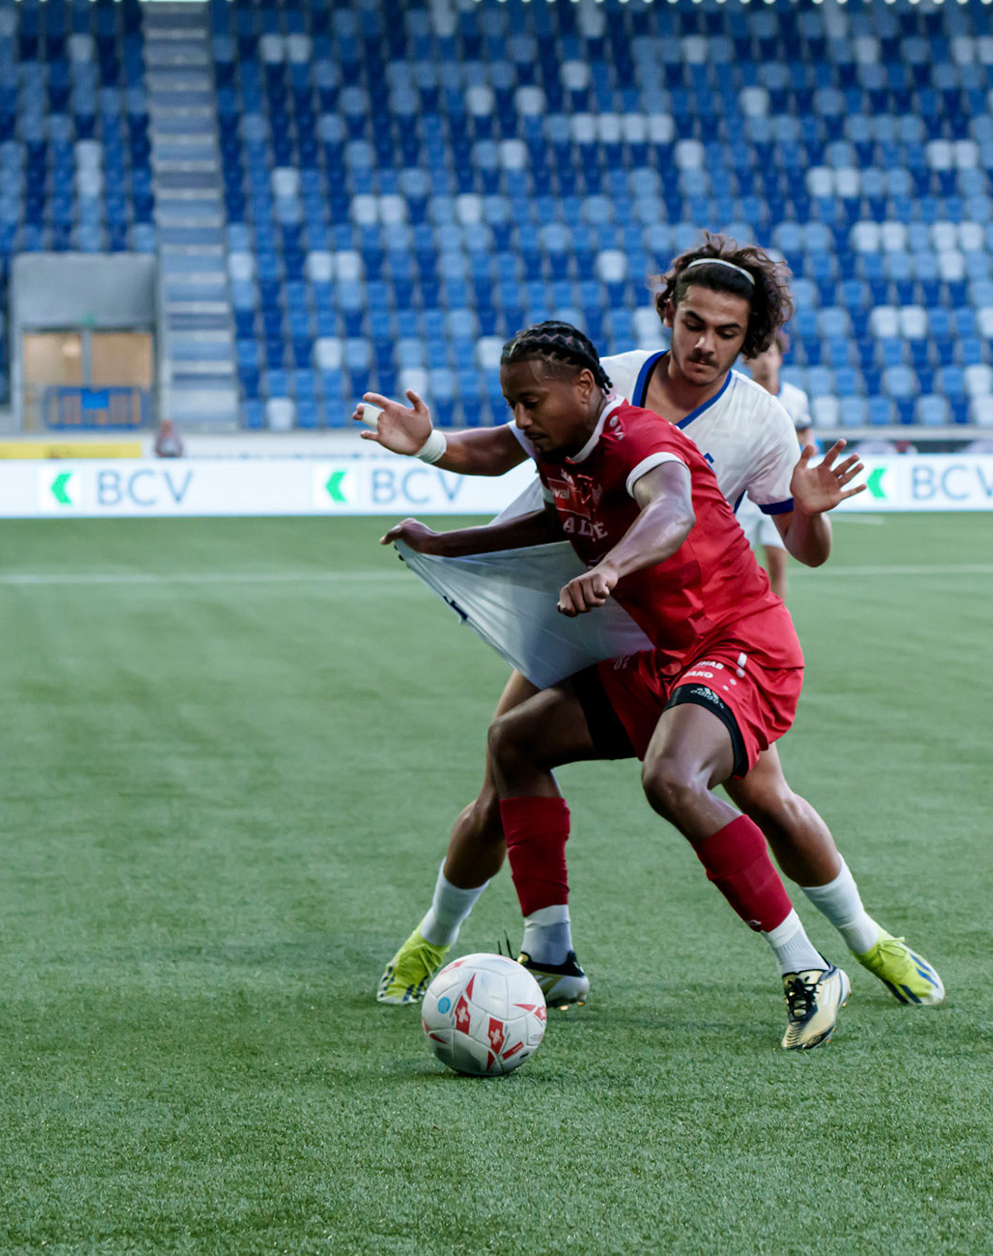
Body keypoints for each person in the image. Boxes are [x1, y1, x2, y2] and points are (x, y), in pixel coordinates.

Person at [357, 237, 943, 1013]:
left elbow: (793, 543)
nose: (703, 344)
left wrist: (807, 507)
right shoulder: (616, 376)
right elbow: (515, 443)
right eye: (692, 323)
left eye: (726, 333)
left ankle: (868, 940)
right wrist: (430, 447)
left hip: (681, 622)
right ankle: (443, 941)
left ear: (750, 339)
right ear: (668, 314)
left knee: (764, 795)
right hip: (577, 606)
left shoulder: (762, 421)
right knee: (506, 767)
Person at [382, 323, 850, 1048]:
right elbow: (551, 520)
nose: (521, 419)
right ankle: (551, 955)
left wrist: (611, 569)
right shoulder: (563, 453)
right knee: (514, 742)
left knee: (673, 779)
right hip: (673, 657)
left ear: (583, 388)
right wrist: (446, 541)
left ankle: (809, 968)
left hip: (743, 646)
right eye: (512, 403)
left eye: (531, 401)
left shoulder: (637, 438)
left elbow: (672, 509)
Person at [737, 330, 814, 600]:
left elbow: (805, 437)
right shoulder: (737, 395)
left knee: (777, 563)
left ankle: (777, 624)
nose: (764, 361)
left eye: (770, 353)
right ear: (747, 360)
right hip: (743, 492)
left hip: (781, 489)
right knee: (734, 564)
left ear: (780, 358)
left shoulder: (796, 398)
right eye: (757, 355)